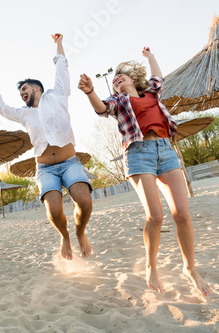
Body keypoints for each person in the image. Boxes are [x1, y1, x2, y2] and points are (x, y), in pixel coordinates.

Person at [78, 47, 211, 296]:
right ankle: (151, 266)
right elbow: (101, 108)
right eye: (115, 79)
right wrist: (90, 92)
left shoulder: (151, 92)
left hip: (166, 150)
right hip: (139, 155)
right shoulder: (119, 101)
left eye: (122, 76)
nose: (117, 79)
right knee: (156, 217)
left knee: (182, 214)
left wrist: (150, 57)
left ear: (133, 79)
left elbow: (159, 77)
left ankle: (190, 268)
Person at [0, 33, 93, 260]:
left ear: (37, 88)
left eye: (24, 89)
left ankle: (80, 232)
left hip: (70, 163)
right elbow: (1, 107)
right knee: (54, 210)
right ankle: (64, 236)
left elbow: (62, 69)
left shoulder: (57, 96)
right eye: (20, 92)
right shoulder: (23, 114)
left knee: (84, 200)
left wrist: (58, 44)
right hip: (45, 168)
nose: (21, 94)